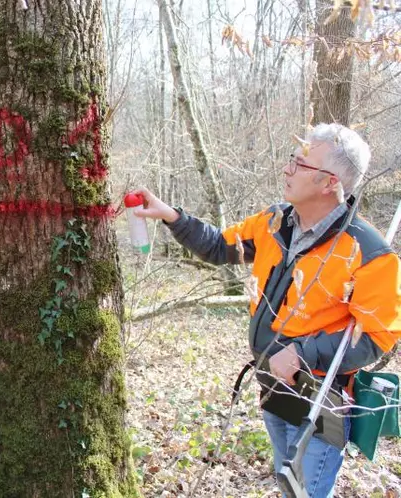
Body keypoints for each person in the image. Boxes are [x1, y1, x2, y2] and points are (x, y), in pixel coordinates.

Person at [131, 123, 401, 498]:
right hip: (272, 387)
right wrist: (172, 217)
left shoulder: (368, 252)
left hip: (320, 403)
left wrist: (303, 354)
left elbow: (377, 336)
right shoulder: (276, 223)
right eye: (293, 160)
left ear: (329, 183)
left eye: (301, 165)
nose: (288, 170)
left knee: (304, 493)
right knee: (284, 482)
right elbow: (218, 247)